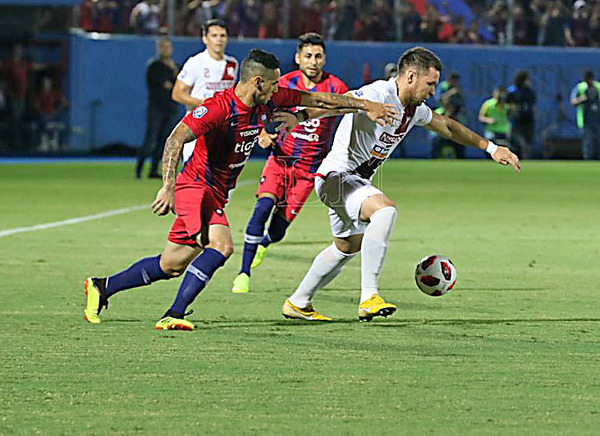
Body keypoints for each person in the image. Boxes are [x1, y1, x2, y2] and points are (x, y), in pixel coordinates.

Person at [83, 49, 398, 330]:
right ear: (258, 82)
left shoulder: (270, 100)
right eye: (274, 83)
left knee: (172, 264)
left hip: (217, 191)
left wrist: (364, 105)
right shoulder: (218, 108)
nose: (278, 89)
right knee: (221, 246)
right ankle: (174, 314)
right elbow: (176, 138)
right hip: (195, 186)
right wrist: (168, 185)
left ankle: (102, 287)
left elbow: (319, 100)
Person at [282, 46, 521, 323]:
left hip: (352, 183)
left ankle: (298, 302)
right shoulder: (378, 93)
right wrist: (301, 116)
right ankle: (369, 297)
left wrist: (490, 148)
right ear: (410, 76)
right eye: (430, 84)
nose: (433, 92)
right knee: (384, 211)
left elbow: (447, 126)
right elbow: (339, 101)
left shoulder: (414, 110)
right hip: (336, 177)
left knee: (346, 247)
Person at [231, 33, 349, 294]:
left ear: (324, 59)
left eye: (318, 56)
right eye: (308, 56)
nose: (313, 61)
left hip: (310, 169)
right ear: (298, 58)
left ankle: (265, 243)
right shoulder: (284, 83)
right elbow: (255, 108)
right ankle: (243, 272)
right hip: (280, 159)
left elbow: (346, 111)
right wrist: (261, 133)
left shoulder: (337, 87)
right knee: (263, 207)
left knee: (280, 228)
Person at [171, 19, 239, 162]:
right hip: (198, 126)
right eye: (214, 36)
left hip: (222, 129)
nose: (219, 40)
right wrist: (206, 104)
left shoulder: (232, 63)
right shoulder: (196, 62)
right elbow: (177, 93)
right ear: (205, 39)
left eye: (222, 36)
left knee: (221, 178)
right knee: (194, 178)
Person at [135, 37, 179, 178]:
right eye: (163, 47)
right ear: (158, 48)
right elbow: (168, 85)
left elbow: (180, 85)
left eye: (168, 47)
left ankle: (153, 170)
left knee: (163, 141)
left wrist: (174, 74)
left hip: (170, 108)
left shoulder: (175, 66)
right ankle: (139, 170)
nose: (166, 50)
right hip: (156, 108)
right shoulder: (155, 66)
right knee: (150, 139)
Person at [432, 72, 465, 158]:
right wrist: (451, 93)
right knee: (436, 138)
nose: (455, 82)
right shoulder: (442, 87)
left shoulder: (458, 88)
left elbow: (461, 102)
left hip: (455, 115)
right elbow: (439, 99)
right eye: (453, 80)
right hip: (443, 113)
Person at [570, 70, 600, 159]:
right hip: (586, 120)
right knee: (588, 142)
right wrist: (582, 99)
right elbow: (573, 101)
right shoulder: (580, 88)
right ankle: (588, 160)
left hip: (598, 119)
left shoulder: (598, 87)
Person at [507, 70, 536, 159]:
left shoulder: (530, 92)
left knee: (527, 141)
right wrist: (512, 110)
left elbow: (533, 106)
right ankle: (513, 158)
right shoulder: (512, 91)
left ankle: (526, 158)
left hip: (528, 119)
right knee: (515, 141)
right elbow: (507, 105)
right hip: (516, 120)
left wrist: (533, 116)